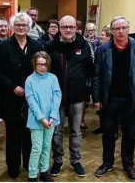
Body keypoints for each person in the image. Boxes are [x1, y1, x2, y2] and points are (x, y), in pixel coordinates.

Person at [93, 16, 135, 181]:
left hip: (131, 100)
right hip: (109, 99)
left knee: (129, 134)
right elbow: (96, 75)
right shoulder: (103, 49)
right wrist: (96, 97)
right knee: (108, 134)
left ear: (128, 29)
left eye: (124, 28)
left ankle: (128, 164)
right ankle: (107, 163)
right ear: (111, 31)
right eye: (117, 28)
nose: (120, 31)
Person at [0, 12, 42, 179]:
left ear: (29, 27)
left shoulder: (36, 45)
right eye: (18, 25)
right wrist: (13, 87)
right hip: (11, 98)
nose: (21, 27)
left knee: (30, 135)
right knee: (13, 136)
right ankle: (13, 168)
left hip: (32, 99)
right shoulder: (4, 46)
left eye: (24, 25)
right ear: (12, 27)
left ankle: (30, 166)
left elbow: (42, 69)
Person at [45, 15, 94, 177]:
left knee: (76, 131)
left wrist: (87, 93)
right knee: (56, 132)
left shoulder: (84, 45)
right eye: (64, 27)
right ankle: (58, 161)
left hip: (77, 97)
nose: (68, 30)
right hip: (55, 98)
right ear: (59, 27)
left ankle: (75, 160)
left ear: (76, 28)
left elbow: (89, 71)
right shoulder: (50, 46)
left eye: (71, 27)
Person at [25, 51, 62, 182]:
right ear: (34, 64)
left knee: (47, 146)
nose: (42, 67)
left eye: (45, 65)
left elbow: (57, 97)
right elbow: (32, 102)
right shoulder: (29, 80)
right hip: (36, 121)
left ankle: (44, 170)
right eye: (39, 64)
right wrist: (42, 119)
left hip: (51, 120)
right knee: (36, 148)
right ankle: (33, 175)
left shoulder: (53, 78)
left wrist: (52, 116)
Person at [92, 25, 112, 135]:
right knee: (102, 108)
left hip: (110, 84)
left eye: (103, 35)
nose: (100, 37)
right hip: (101, 82)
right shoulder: (100, 48)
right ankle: (102, 126)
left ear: (109, 37)